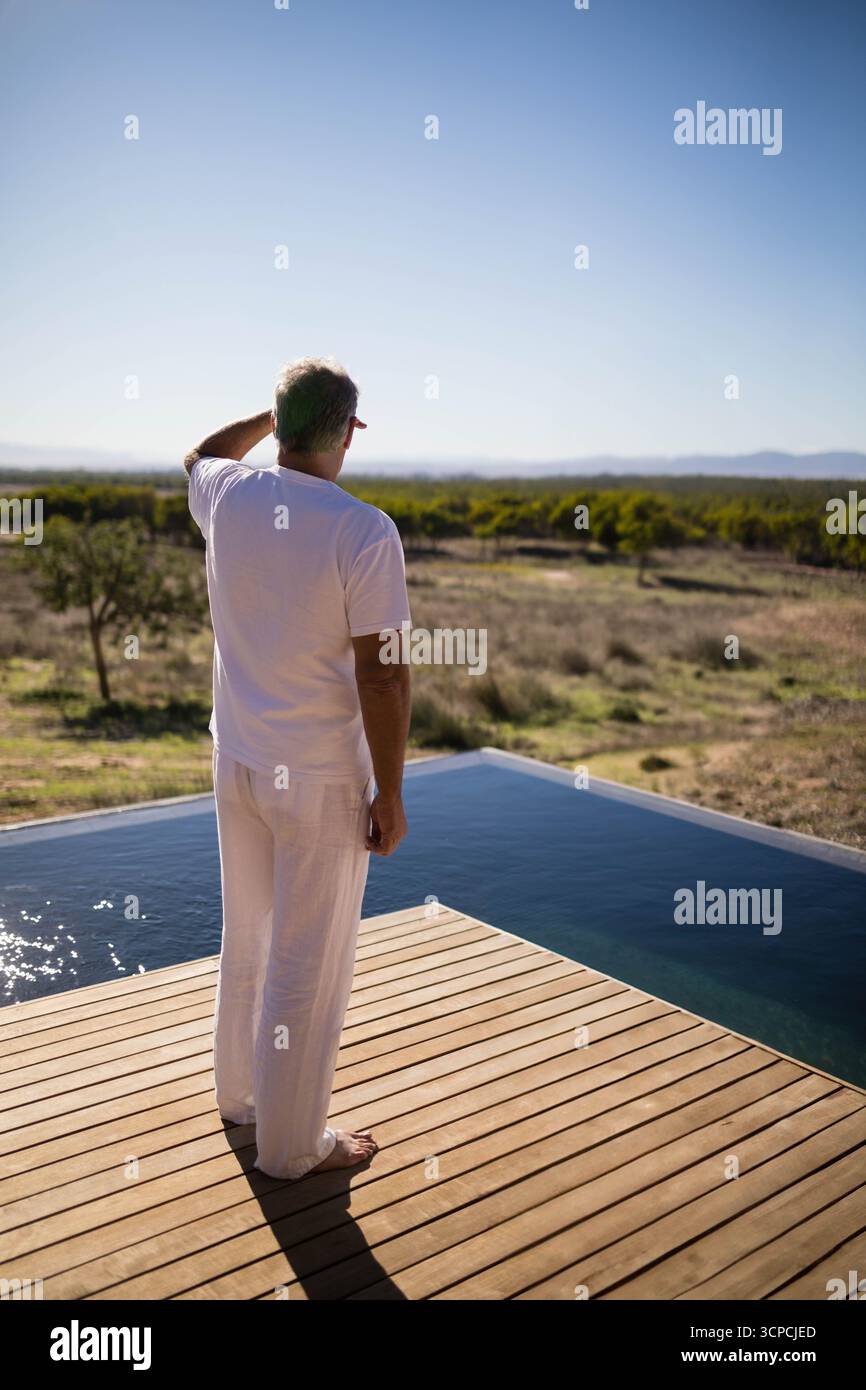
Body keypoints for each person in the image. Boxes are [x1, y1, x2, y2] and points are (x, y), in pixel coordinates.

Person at [184, 356, 411, 1179]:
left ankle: (239, 1099)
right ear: (349, 432)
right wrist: (389, 790)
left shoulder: (228, 495)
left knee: (247, 940)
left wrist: (270, 418)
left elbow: (198, 454)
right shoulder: (363, 529)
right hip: (316, 783)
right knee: (304, 967)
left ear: (277, 426)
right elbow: (383, 673)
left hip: (238, 762)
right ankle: (292, 1147)